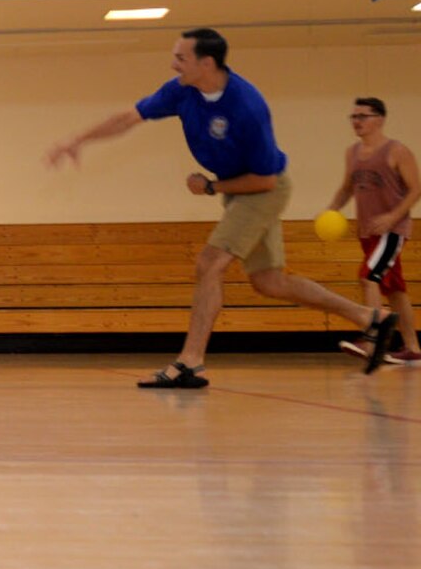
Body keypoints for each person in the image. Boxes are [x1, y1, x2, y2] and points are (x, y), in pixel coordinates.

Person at [46, 28, 400, 387]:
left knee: (209, 263)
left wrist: (211, 187)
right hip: (241, 191)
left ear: (207, 63)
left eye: (181, 58)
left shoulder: (247, 106)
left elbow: (265, 182)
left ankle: (190, 362)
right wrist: (78, 140)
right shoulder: (182, 90)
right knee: (270, 282)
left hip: (263, 188)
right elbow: (130, 116)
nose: (173, 64)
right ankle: (369, 317)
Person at [326, 97, 421, 365]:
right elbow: (347, 187)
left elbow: (416, 188)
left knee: (369, 277)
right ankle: (413, 348)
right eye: (353, 117)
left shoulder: (397, 151)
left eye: (362, 116)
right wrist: (332, 209)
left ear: (379, 119)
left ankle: (373, 339)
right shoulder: (352, 153)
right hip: (368, 231)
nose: (356, 122)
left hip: (392, 230)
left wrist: (393, 216)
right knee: (395, 290)